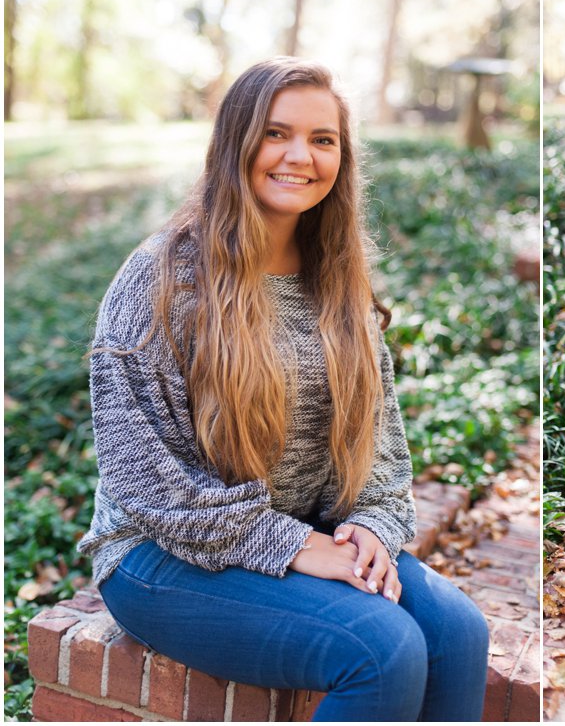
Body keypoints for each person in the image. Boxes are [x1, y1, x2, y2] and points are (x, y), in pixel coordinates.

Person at [77, 57, 490, 721]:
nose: (301, 156)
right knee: (381, 650)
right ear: (236, 143)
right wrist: (295, 546)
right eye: (276, 133)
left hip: (300, 527)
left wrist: (371, 523)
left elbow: (380, 444)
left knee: (458, 635)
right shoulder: (160, 281)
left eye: (323, 139)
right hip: (159, 555)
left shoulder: (337, 276)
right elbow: (145, 482)